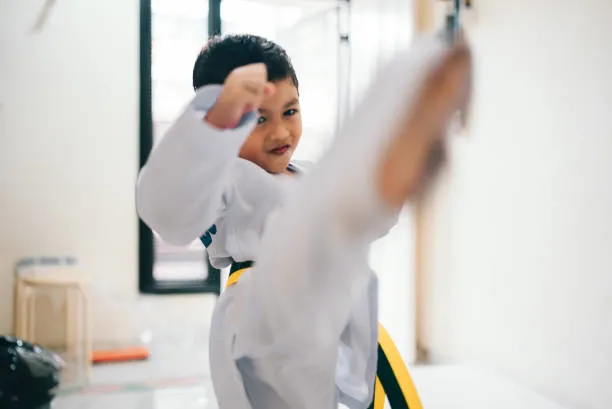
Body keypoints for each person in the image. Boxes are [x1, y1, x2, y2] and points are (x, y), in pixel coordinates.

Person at [136, 33, 472, 409]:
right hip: (265, 309)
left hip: (329, 304)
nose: (280, 132)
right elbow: (167, 210)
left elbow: (372, 224)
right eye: (259, 119)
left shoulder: (308, 174)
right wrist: (212, 124)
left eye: (290, 111)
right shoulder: (227, 179)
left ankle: (385, 154)